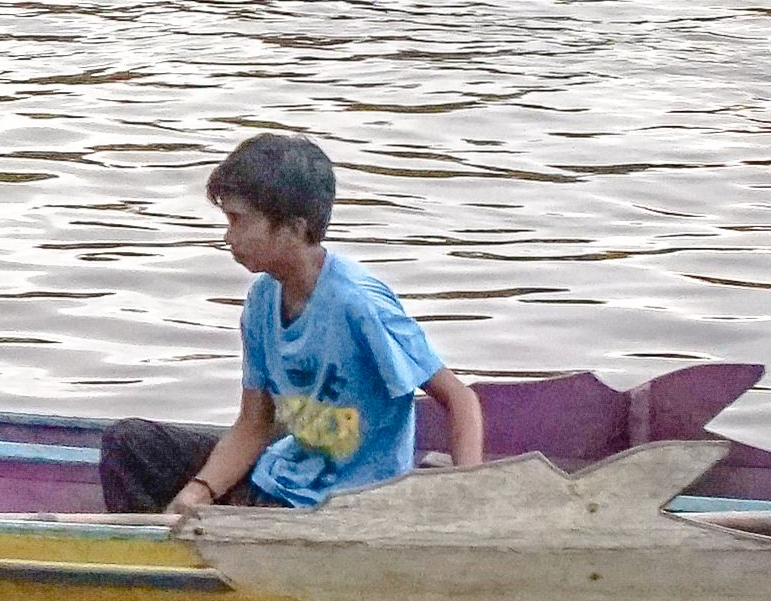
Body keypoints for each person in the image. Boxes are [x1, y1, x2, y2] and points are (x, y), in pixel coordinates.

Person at [97, 133, 483, 524]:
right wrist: (199, 491)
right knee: (129, 444)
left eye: (238, 221)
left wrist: (469, 499)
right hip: (277, 482)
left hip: (344, 509)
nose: (228, 236)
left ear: (294, 229)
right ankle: (160, 554)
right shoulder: (262, 302)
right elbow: (254, 424)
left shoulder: (359, 304)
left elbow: (459, 399)